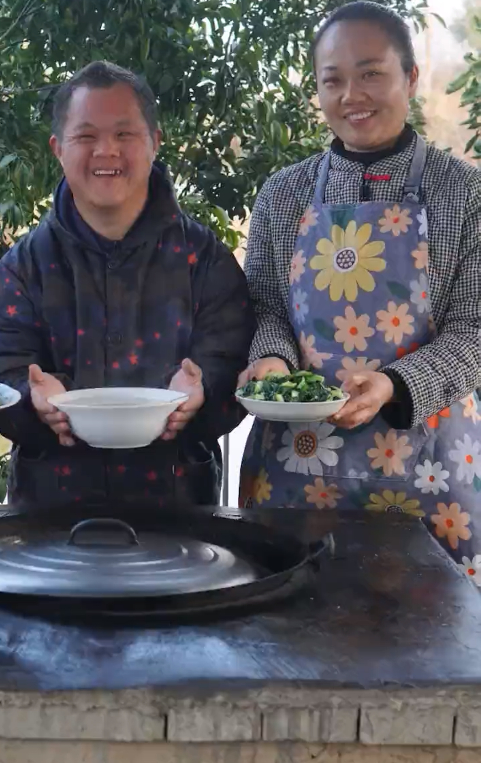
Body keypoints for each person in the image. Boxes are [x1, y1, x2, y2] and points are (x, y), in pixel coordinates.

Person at [238, 1, 481, 579]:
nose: (353, 95)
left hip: (430, 471)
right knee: (291, 631)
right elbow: (267, 307)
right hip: (295, 472)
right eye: (334, 80)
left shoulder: (465, 193)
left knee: (431, 646)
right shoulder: (283, 193)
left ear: (410, 77)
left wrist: (394, 384)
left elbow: (475, 329)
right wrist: (270, 358)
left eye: (371, 73)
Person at [0, 60, 254, 506]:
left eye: (124, 134)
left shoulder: (204, 259)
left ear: (154, 143)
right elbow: (1, 368)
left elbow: (233, 362)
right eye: (86, 136)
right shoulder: (24, 265)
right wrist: (33, 398)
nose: (106, 150)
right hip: (50, 512)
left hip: (179, 505)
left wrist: (204, 389)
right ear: (58, 148)